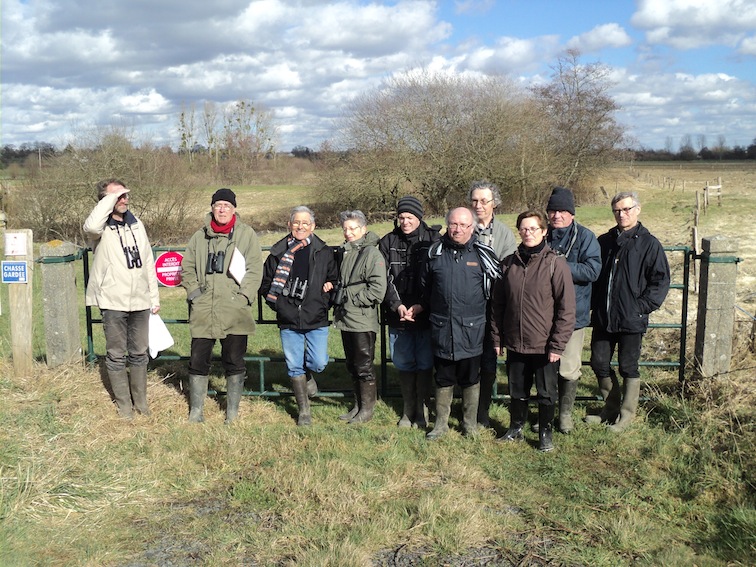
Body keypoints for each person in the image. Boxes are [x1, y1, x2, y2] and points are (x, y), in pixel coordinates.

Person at [490, 211, 576, 452]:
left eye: (533, 229)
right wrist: (497, 338)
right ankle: (516, 427)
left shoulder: (555, 264)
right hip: (516, 342)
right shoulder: (508, 264)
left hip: (544, 344)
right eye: (524, 229)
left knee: (547, 392)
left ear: (544, 231)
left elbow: (567, 308)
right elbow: (498, 305)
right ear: (519, 231)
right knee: (517, 389)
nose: (528, 233)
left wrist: (557, 345)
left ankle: (545, 432)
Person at [587, 191, 670, 433]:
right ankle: (609, 410)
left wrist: (641, 307)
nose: (622, 214)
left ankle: (626, 415)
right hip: (604, 316)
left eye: (626, 209)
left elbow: (661, 281)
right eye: (617, 210)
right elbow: (594, 277)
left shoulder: (649, 244)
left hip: (631, 318)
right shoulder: (604, 241)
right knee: (599, 362)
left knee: (628, 366)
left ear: (638, 209)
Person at [181, 188, 262, 424]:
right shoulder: (199, 237)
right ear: (212, 208)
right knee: (198, 360)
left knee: (234, 360)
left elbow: (255, 269)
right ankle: (196, 411)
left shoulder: (246, 235)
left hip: (234, 309)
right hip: (204, 308)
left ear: (234, 209)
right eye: (218, 205)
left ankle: (232, 413)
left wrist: (244, 296)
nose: (222, 209)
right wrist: (195, 294)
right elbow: (187, 268)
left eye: (227, 205)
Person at [420, 207, 501, 440]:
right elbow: (426, 287)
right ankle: (441, 424)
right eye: (454, 224)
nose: (458, 229)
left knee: (470, 377)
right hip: (442, 327)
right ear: (447, 225)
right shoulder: (435, 252)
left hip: (473, 329)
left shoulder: (483, 254)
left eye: (464, 225)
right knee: (443, 376)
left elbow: (494, 292)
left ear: (472, 227)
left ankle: (469, 424)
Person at [84, 178, 160, 419]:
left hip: (139, 299)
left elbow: (148, 260)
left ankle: (141, 402)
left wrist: (153, 296)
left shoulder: (137, 224)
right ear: (105, 201)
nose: (124, 199)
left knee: (139, 352)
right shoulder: (100, 228)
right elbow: (90, 227)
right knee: (116, 354)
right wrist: (110, 199)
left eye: (126, 195)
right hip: (112, 299)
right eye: (118, 196)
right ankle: (124, 406)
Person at [260, 206, 338, 426]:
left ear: (313, 226)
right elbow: (266, 284)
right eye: (296, 222)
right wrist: (279, 305)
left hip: (316, 316)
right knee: (294, 366)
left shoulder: (324, 252)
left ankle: (310, 376)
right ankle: (304, 411)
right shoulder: (277, 253)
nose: (300, 226)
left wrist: (326, 299)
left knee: (319, 362)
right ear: (289, 225)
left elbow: (334, 280)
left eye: (305, 223)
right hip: (289, 318)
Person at [379, 196, 441, 429]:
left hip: (426, 313)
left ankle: (422, 410)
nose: (405, 222)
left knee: (425, 362)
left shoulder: (434, 240)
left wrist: (422, 304)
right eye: (401, 217)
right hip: (399, 314)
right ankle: (408, 409)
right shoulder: (387, 242)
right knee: (403, 362)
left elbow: (437, 277)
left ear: (419, 218)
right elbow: (384, 278)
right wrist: (397, 305)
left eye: (410, 217)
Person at [544, 187, 601, 434]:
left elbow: (592, 271)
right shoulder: (541, 234)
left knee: (568, 367)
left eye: (563, 211)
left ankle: (564, 415)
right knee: (545, 367)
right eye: (553, 210)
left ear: (572, 214)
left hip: (573, 315)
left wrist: (561, 266)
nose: (557, 215)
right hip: (542, 315)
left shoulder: (586, 238)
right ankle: (546, 412)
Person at [468, 181, 517, 428]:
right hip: (466, 307)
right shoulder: (461, 228)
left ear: (494, 203)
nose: (478, 206)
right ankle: (466, 410)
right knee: (467, 361)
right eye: (474, 201)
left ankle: (482, 412)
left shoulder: (505, 234)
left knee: (487, 362)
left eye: (484, 201)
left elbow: (508, 271)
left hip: (492, 308)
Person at [333, 210, 387, 424]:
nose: (348, 232)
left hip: (362, 319)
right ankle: (358, 405)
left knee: (364, 365)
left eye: (353, 228)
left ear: (364, 229)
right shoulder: (347, 252)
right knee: (352, 363)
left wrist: (351, 298)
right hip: (346, 317)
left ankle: (367, 410)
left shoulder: (371, 254)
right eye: (345, 228)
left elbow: (377, 291)